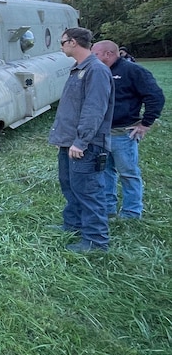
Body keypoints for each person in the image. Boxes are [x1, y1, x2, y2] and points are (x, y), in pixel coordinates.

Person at [48, 27, 115, 253]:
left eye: (63, 42)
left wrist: (81, 141)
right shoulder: (78, 69)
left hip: (86, 146)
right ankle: (74, 226)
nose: (61, 46)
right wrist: (65, 139)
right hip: (69, 142)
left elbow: (94, 109)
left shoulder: (96, 71)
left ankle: (96, 242)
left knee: (89, 192)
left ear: (74, 42)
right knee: (70, 186)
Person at [91, 40, 165, 219]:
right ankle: (108, 208)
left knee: (128, 173)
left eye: (96, 54)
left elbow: (156, 96)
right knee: (105, 171)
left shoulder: (133, 71)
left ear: (108, 54)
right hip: (100, 134)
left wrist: (145, 123)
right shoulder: (98, 72)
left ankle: (131, 212)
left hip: (122, 134)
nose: (92, 58)